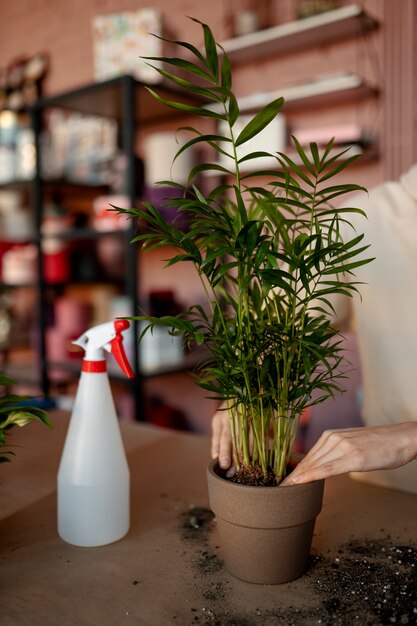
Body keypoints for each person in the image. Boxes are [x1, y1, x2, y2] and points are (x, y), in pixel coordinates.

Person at [211, 162, 417, 489]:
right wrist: (243, 388)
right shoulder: (362, 220)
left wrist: (410, 437)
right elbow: (282, 324)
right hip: (388, 492)